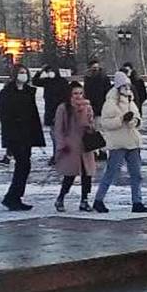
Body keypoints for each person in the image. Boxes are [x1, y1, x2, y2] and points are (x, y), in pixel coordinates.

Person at [92, 71, 147, 213]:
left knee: (136, 174)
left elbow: (138, 118)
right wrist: (121, 120)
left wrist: (135, 122)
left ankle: (137, 202)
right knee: (111, 172)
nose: (127, 89)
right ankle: (98, 200)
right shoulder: (110, 103)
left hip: (133, 142)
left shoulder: (131, 100)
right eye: (124, 86)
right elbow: (105, 123)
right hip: (118, 143)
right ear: (118, 87)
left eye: (128, 86)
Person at [0, 65, 44, 211]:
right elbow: (5, 116)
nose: (23, 75)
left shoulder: (28, 92)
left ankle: (14, 196)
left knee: (25, 166)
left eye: (25, 73)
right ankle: (13, 197)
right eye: (20, 73)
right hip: (16, 135)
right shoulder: (7, 93)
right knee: (22, 165)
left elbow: (33, 114)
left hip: (27, 134)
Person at [53, 81, 97, 212]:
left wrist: (90, 127)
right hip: (71, 145)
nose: (78, 96)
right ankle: (61, 198)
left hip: (85, 144)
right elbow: (58, 128)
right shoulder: (63, 108)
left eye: (80, 93)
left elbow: (91, 123)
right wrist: (61, 144)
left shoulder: (87, 107)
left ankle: (84, 200)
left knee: (87, 174)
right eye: (75, 93)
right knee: (70, 174)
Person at [34, 64, 70, 159]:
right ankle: (56, 154)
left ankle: (58, 155)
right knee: (54, 135)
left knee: (58, 135)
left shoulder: (62, 82)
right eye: (48, 71)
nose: (50, 73)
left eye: (51, 71)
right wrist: (41, 71)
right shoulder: (47, 81)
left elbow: (67, 97)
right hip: (50, 110)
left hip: (60, 110)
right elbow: (35, 81)